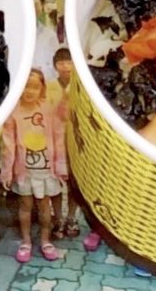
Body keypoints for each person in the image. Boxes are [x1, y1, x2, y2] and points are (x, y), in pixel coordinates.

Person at [2, 68, 65, 263]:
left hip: (46, 170)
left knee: (45, 207)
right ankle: (26, 241)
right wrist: (6, 172)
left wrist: (61, 167)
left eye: (34, 87)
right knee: (25, 206)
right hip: (24, 171)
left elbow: (58, 138)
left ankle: (45, 240)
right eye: (25, 86)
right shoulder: (12, 112)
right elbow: (8, 145)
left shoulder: (48, 109)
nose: (29, 91)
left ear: (42, 89)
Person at [50, 46, 100, 250]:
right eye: (61, 63)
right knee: (54, 183)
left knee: (74, 183)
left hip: (78, 140)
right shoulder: (49, 87)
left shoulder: (83, 86)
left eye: (69, 62)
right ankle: (57, 218)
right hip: (54, 140)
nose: (65, 67)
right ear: (55, 66)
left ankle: (72, 218)